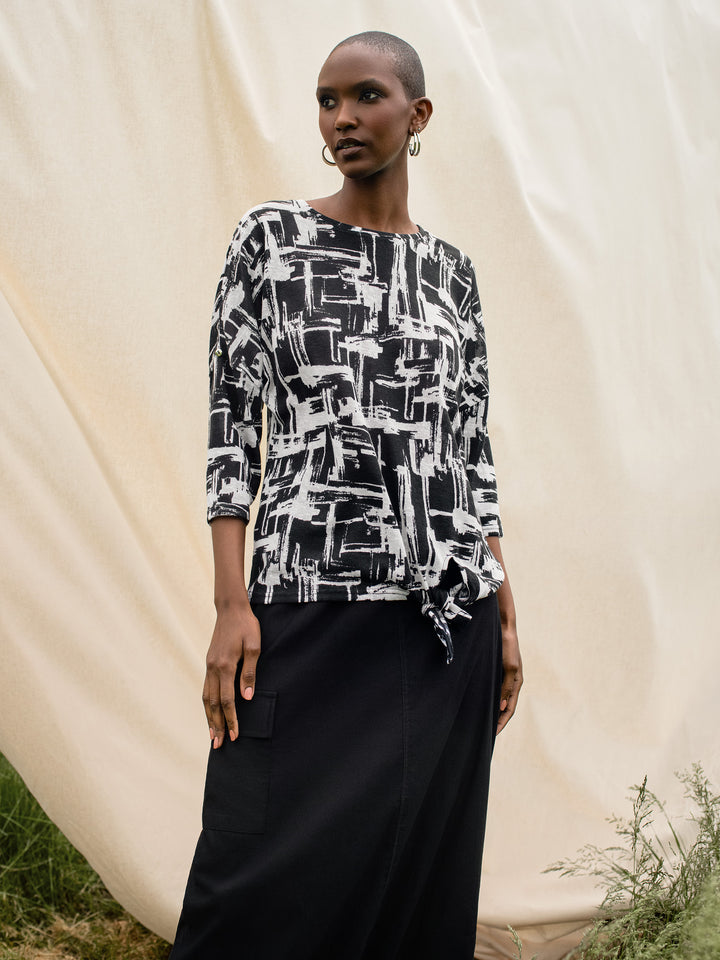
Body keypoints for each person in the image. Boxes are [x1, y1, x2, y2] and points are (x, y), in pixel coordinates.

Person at [170, 30, 523, 960]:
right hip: (311, 603)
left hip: (448, 621)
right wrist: (231, 602)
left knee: (421, 884)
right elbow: (232, 428)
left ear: (418, 114)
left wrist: (504, 607)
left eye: (366, 96)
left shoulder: (452, 274)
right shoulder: (271, 239)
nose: (342, 119)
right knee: (255, 871)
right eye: (328, 101)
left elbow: (471, 449)